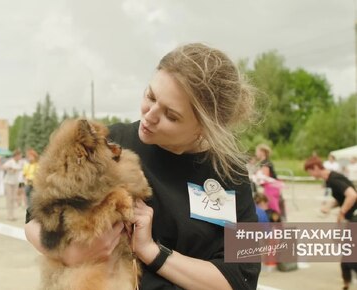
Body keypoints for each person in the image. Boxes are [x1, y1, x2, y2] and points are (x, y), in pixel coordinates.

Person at [25, 43, 260, 289]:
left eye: (171, 115)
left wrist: (152, 252)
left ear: (205, 127)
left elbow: (241, 278)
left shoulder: (232, 174)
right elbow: (36, 217)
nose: (149, 115)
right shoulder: (109, 145)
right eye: (151, 96)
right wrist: (69, 254)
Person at [304, 156, 357, 290]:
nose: (310, 175)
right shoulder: (329, 180)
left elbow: (352, 195)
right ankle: (346, 283)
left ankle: (347, 282)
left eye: (309, 171)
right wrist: (329, 207)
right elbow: (343, 197)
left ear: (316, 168)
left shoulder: (333, 179)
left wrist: (342, 212)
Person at [254, 144, 285, 220]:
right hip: (272, 187)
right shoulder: (266, 162)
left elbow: (265, 177)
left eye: (257, 151)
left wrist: (256, 178)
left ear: (262, 152)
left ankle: (276, 226)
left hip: (271, 188)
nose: (256, 154)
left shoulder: (265, 163)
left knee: (272, 207)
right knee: (274, 207)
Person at [2, 150, 23, 221]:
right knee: (9, 198)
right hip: (8, 182)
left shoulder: (20, 163)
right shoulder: (10, 161)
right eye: (19, 155)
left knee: (14, 198)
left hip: (15, 182)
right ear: (16, 156)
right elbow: (3, 167)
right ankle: (9, 215)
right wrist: (10, 169)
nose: (20, 157)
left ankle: (13, 215)